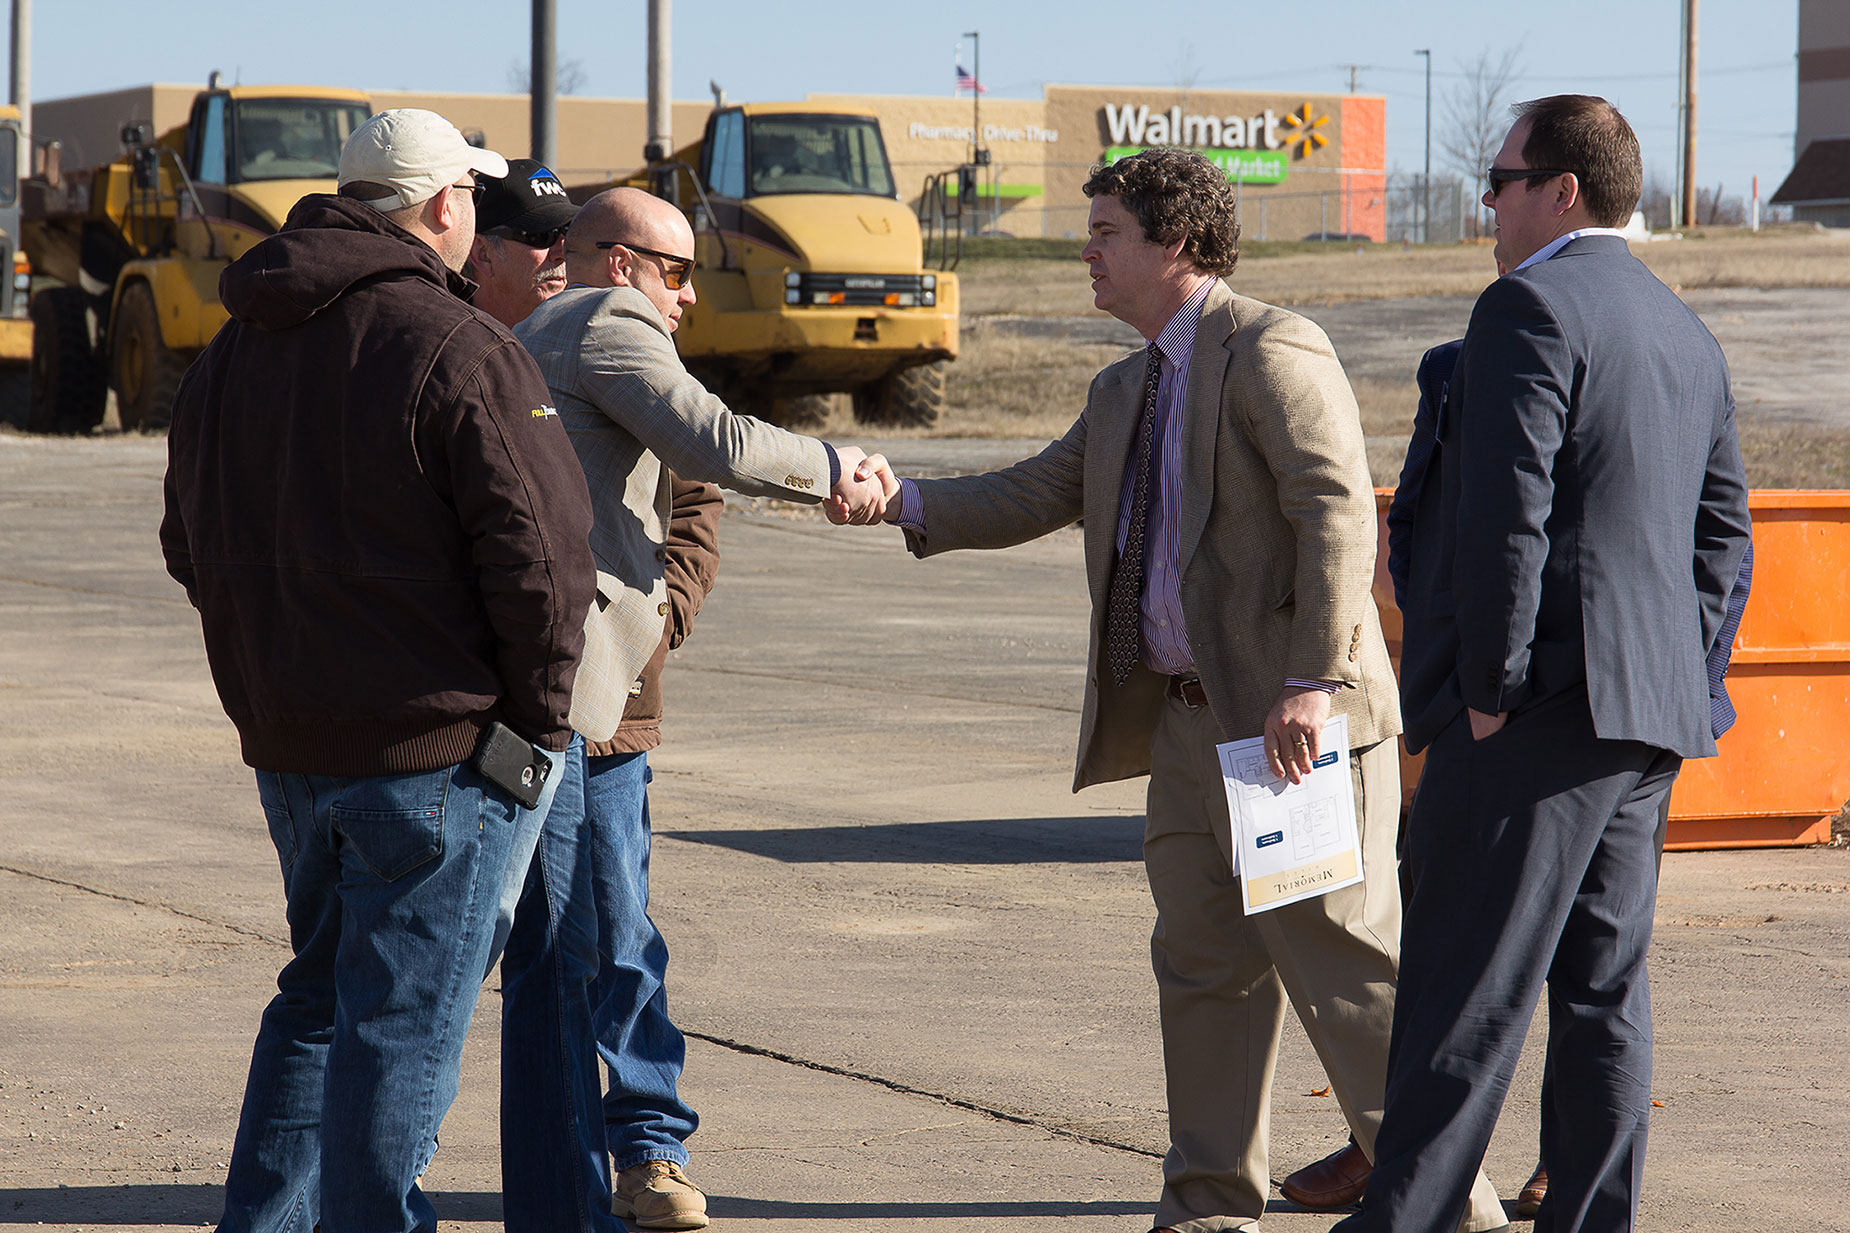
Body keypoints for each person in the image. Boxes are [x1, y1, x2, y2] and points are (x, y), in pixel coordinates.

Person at [850, 147, 1505, 1233]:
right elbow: (1038, 490)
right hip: (1188, 734)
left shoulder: (1272, 347)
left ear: (1176, 243)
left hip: (1291, 728)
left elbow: (1336, 512)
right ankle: (1206, 1205)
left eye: (1105, 231)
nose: (1085, 251)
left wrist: (1310, 679)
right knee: (1203, 973)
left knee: (1344, 972)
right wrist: (898, 499)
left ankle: (1447, 1209)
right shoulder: (1125, 386)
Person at [159, 108, 596, 1233]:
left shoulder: (231, 349)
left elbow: (186, 545)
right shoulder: (459, 345)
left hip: (293, 747)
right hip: (433, 758)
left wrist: (277, 662)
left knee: (318, 1000)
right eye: (469, 200)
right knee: (400, 1022)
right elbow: (544, 563)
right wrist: (537, 725)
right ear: (447, 206)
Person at [1331, 95, 1752, 1233]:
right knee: (1600, 993)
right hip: (1645, 714)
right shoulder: (1681, 328)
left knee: (1462, 988)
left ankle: (1402, 1219)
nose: (1486, 201)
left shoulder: (1526, 306)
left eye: (1499, 177)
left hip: (1533, 719)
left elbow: (1503, 521)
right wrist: (1689, 674)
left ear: (1560, 190)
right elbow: (1724, 536)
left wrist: (1489, 693)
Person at [506, 185, 889, 1231]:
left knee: (568, 943)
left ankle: (619, 1155)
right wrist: (834, 469)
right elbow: (712, 441)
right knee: (589, 941)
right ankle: (610, 1166)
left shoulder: (540, 332)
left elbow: (690, 495)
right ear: (620, 262)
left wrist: (664, 614)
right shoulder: (600, 320)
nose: (685, 299)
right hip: (576, 697)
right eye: (676, 273)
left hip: (582, 690)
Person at [471, 170, 728, 1233]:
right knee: (503, 942)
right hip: (499, 715)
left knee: (614, 931)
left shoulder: (632, 352)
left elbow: (698, 497)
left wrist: (652, 628)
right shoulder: (464, 355)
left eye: (552, 239)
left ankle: (647, 1147)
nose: (541, 259)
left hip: (609, 718)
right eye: (526, 241)